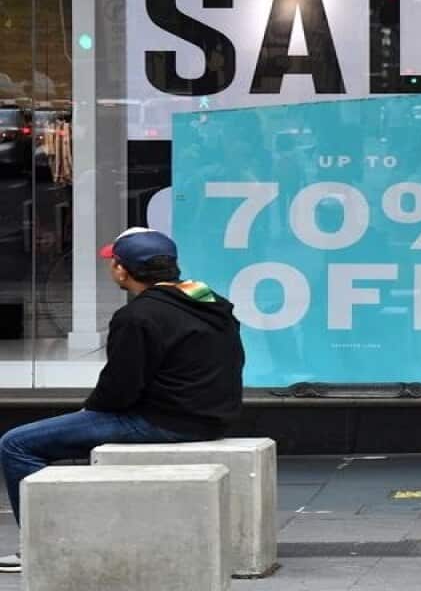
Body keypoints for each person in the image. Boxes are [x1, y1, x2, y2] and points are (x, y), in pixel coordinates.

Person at [0, 228, 246, 573]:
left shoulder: (138, 316)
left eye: (113, 262)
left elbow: (119, 391)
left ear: (121, 269)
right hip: (211, 417)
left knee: (16, 444)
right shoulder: (210, 303)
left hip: (162, 421)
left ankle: (42, 547)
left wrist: (89, 410)